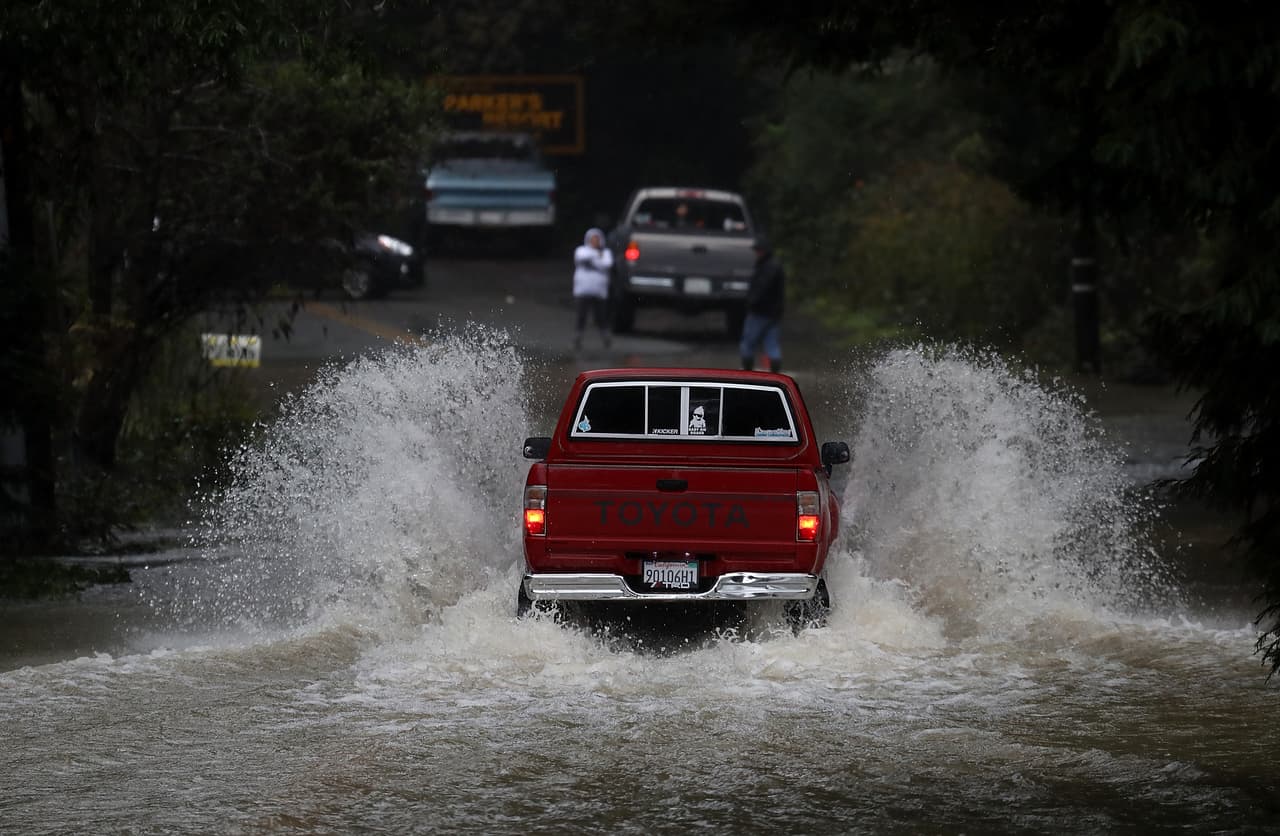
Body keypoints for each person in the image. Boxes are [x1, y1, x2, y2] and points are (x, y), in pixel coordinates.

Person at [740, 236, 785, 372]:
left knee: (747, 344)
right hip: (773, 314)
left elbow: (761, 288)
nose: (756, 253)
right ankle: (775, 374)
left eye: (758, 250)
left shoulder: (767, 267)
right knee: (772, 345)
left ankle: (747, 372)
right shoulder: (774, 265)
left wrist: (750, 302)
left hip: (760, 312)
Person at [573, 227, 614, 350]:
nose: (595, 241)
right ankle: (577, 338)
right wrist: (597, 256)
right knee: (581, 316)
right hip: (583, 290)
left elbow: (607, 264)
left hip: (599, 291)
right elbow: (581, 258)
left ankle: (605, 338)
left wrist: (594, 259)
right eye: (592, 239)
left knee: (601, 317)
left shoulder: (606, 252)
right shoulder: (581, 250)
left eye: (597, 239)